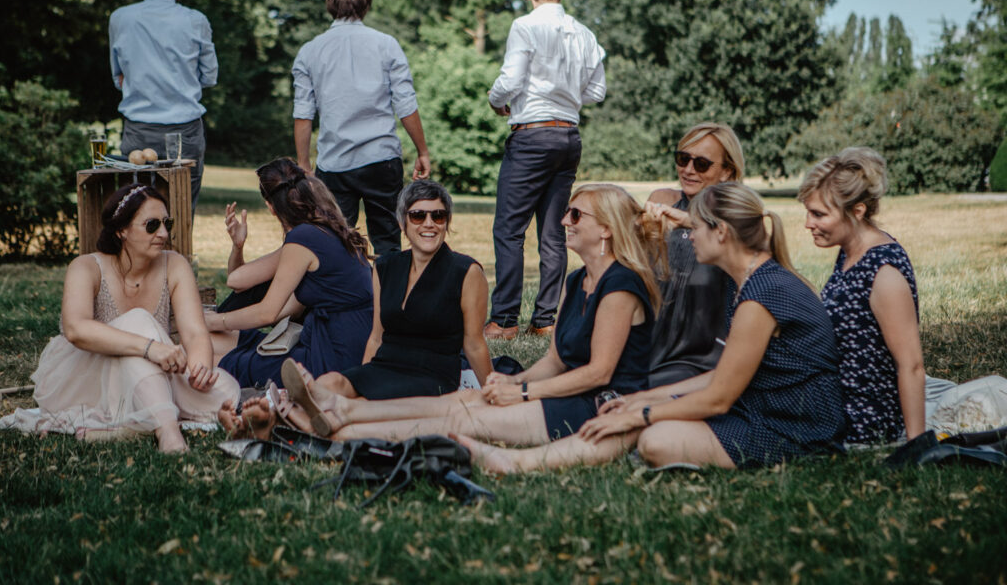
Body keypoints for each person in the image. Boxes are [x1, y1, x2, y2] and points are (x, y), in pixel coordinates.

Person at [455, 182, 847, 473]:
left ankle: (517, 463)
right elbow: (720, 377)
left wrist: (640, 413)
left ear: (722, 234)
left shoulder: (762, 294)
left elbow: (717, 398)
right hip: (758, 407)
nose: (689, 236)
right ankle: (515, 461)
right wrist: (647, 399)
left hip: (794, 427)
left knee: (655, 438)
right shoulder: (754, 281)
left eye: (697, 228)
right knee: (644, 421)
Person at [280, 184, 666, 446]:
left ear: (606, 230)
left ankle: (334, 431)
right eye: (567, 212)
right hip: (567, 393)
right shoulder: (577, 279)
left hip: (600, 404)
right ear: (403, 222)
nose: (564, 221)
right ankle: (333, 408)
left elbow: (599, 373)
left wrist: (522, 391)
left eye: (575, 215)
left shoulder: (620, 285)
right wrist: (508, 382)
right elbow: (555, 360)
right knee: (460, 402)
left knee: (457, 418)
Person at [223, 180, 495, 439]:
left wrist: (493, 395)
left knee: (362, 402)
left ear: (447, 222)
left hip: (430, 375)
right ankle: (294, 415)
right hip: (386, 365)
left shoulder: (466, 272)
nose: (429, 223)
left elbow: (474, 344)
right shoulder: (386, 267)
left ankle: (284, 421)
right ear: (402, 222)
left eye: (438, 216)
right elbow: (376, 337)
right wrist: (363, 375)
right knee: (331, 383)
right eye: (417, 216)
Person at [24, 183, 239, 453]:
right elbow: (76, 329)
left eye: (167, 223)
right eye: (152, 225)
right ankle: (169, 433)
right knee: (138, 320)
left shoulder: (175, 264)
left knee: (226, 391)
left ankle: (128, 426)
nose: (163, 233)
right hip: (88, 376)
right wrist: (150, 348)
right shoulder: (85, 267)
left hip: (147, 372)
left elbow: (195, 333)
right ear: (121, 230)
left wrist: (200, 369)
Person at [485, 0, 607, 340]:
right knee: (553, 232)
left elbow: (511, 80)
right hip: (568, 136)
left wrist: (495, 99)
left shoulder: (524, 26)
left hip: (533, 135)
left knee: (509, 229)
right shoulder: (584, 33)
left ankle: (505, 320)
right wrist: (567, 94)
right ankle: (545, 320)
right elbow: (597, 91)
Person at [292, 0, 432, 257]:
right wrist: (422, 151)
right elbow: (406, 104)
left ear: (330, 4)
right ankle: (387, 287)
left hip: (334, 162)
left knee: (336, 246)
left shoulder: (309, 52)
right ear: (366, 5)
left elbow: (303, 115)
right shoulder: (387, 44)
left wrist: (304, 165)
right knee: (388, 244)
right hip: (381, 159)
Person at [208, 158, 373, 389]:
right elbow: (239, 282)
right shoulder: (323, 231)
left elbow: (267, 313)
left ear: (271, 207)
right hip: (336, 344)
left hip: (333, 356)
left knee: (215, 360)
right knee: (211, 341)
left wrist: (215, 320)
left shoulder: (304, 238)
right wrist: (238, 246)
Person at [799, 147, 924, 443]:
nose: (807, 223)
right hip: (834, 399)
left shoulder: (884, 274)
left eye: (818, 214)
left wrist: (917, 444)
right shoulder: (849, 251)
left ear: (857, 211)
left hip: (862, 420)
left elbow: (911, 365)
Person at [109, 0, 217, 218]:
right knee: (180, 218)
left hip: (138, 132)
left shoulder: (120, 19)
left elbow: (118, 78)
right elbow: (209, 76)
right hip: (185, 134)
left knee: (135, 220)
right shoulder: (196, 21)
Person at [644, 122, 745, 385]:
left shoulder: (736, 216)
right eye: (683, 158)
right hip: (651, 337)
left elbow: (743, 242)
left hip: (701, 353)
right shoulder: (663, 199)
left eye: (701, 164)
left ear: (726, 171)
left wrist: (690, 221)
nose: (688, 170)